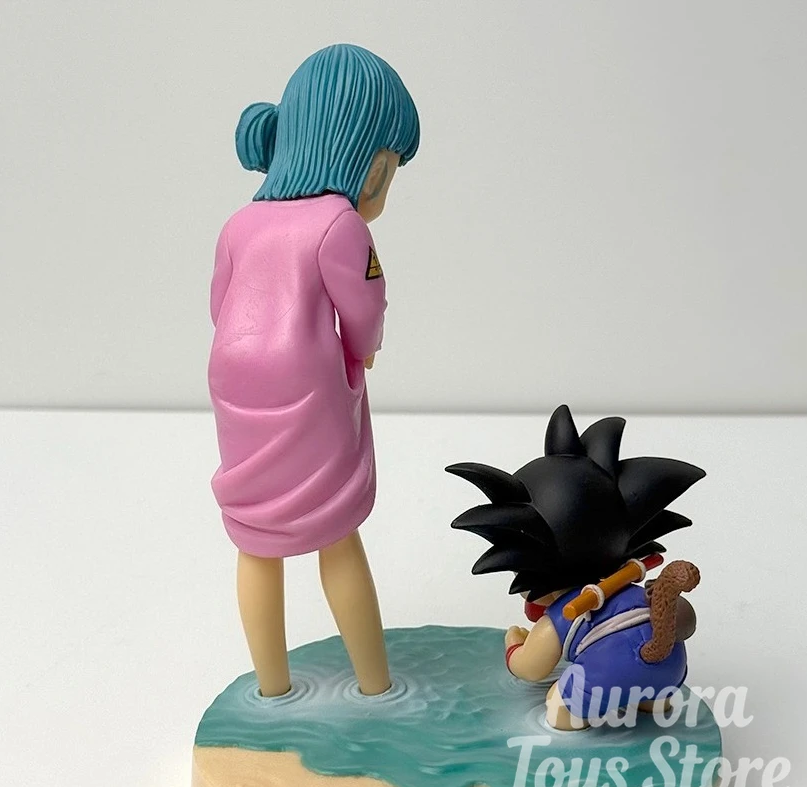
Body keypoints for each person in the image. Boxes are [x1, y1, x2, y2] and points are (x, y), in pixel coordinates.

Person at [208, 44, 420, 697]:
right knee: (337, 532)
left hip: (235, 386)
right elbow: (365, 305)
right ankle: (374, 683)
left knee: (255, 538)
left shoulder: (241, 223)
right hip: (308, 389)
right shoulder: (340, 224)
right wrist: (361, 349)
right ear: (372, 165)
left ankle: (272, 687)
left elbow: (220, 306)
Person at [447, 405, 704, 729]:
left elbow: (531, 669)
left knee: (560, 705)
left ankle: (570, 721)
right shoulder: (633, 591)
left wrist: (515, 646)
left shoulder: (563, 614)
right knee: (651, 682)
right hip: (671, 669)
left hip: (607, 676)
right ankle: (652, 702)